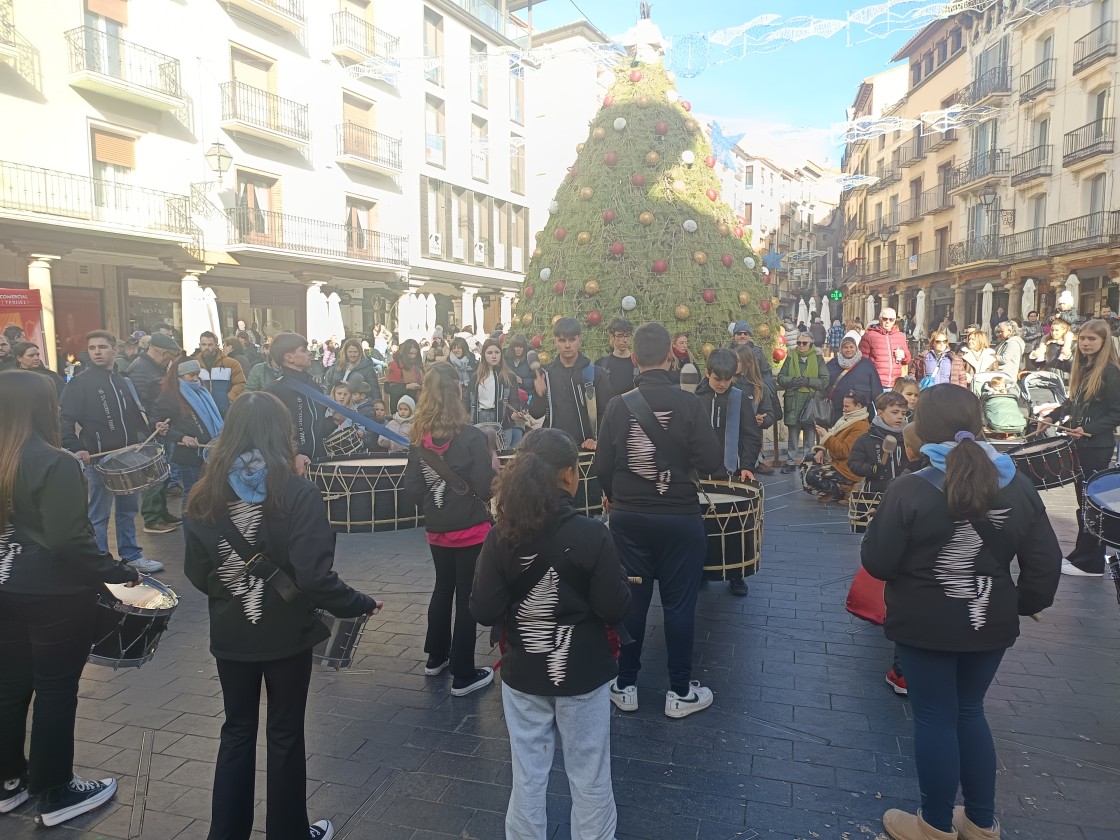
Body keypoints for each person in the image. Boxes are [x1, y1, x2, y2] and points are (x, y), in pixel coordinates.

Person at [862, 384, 1060, 840]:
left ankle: (933, 824)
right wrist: (1023, 604)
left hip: (923, 623)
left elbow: (878, 562)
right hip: (990, 620)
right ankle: (981, 821)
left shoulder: (909, 487)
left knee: (933, 715)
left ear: (924, 428)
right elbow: (1045, 563)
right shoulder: (1018, 484)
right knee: (970, 711)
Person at [184, 392, 379, 840]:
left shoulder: (203, 495)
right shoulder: (297, 492)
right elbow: (315, 576)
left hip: (232, 632)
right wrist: (358, 603)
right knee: (286, 733)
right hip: (287, 632)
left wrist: (230, 593)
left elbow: (197, 571)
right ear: (282, 432)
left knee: (235, 731)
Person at [470, 429, 631, 840]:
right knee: (590, 775)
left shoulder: (502, 535)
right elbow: (614, 608)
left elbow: (483, 609)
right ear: (569, 475)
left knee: (527, 776)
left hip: (524, 673)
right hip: (584, 674)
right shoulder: (594, 534)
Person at [0, 370, 142, 827]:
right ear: (44, 408)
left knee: (10, 686)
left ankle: (8, 782)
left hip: (4, 584)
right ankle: (55, 791)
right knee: (57, 688)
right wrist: (118, 572)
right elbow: (68, 540)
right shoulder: (55, 461)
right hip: (54, 594)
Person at [594, 323, 723, 718]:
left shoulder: (618, 405)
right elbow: (713, 463)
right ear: (671, 355)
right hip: (679, 520)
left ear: (633, 358)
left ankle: (626, 683)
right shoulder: (689, 404)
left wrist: (619, 498)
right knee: (679, 606)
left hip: (630, 520)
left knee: (632, 601)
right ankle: (679, 692)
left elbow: (601, 467)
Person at [402, 362, 497, 697]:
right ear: (458, 392)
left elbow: (412, 486)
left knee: (442, 588)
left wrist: (432, 510)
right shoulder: (472, 436)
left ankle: (436, 657)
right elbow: (486, 486)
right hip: (470, 527)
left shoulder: (418, 439)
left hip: (436, 528)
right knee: (466, 595)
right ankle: (463, 673)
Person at [60, 330, 164, 574]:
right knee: (99, 514)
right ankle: (100, 561)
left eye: (102, 347)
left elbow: (134, 416)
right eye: (93, 348)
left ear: (114, 350)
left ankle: (131, 556)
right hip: (99, 460)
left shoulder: (122, 380)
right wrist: (76, 448)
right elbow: (65, 420)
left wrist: (154, 427)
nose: (97, 352)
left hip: (127, 457)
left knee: (128, 510)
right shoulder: (80, 382)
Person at [1041, 319, 1120, 577]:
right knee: (1083, 503)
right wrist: (1053, 416)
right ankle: (1081, 555)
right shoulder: (1085, 368)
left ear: (1103, 342)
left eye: (1092, 339)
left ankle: (1091, 563)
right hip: (1081, 444)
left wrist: (1090, 429)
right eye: (1083, 339)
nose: (1086, 343)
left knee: (1091, 505)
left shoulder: (1110, 372)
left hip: (1096, 445)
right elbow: (1073, 403)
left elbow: (1116, 412)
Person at [695, 348, 765, 596]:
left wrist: (747, 465)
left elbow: (751, 435)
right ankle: (702, 571)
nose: (722, 384)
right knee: (701, 528)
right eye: (717, 379)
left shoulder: (740, 397)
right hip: (700, 474)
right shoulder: (695, 397)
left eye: (727, 379)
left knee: (734, 526)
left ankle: (736, 574)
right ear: (707, 373)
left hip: (731, 471)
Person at [127, 332, 184, 536]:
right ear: (160, 351)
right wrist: (154, 424)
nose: (171, 360)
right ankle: (152, 518)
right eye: (170, 355)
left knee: (162, 472)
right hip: (149, 430)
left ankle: (161, 512)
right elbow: (141, 405)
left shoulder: (151, 367)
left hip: (157, 427)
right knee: (152, 475)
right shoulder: (141, 370)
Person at [528, 318, 615, 451]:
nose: (567, 345)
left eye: (571, 340)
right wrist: (540, 395)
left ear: (579, 340)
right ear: (555, 341)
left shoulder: (595, 373)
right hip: (553, 447)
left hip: (586, 446)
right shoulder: (546, 374)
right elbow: (535, 414)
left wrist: (597, 438)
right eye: (562, 340)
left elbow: (607, 412)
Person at [154, 360, 223, 515]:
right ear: (179, 375)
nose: (194, 378)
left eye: (197, 374)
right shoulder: (170, 396)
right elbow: (159, 423)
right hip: (189, 455)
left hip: (208, 453)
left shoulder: (201, 391)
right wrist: (182, 437)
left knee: (207, 498)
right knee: (192, 498)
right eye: (190, 375)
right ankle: (190, 533)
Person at [267, 333, 326, 474]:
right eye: (304, 350)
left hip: (319, 461)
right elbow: (271, 433)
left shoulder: (314, 386)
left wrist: (334, 421)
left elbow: (318, 428)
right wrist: (294, 454)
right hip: (293, 465)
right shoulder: (274, 391)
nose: (310, 353)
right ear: (289, 358)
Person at [803, 391, 870, 502]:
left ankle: (841, 490)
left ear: (858, 406)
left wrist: (825, 435)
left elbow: (844, 452)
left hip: (847, 468)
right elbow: (832, 437)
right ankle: (836, 490)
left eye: (846, 406)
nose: (843, 409)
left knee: (812, 476)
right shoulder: (847, 418)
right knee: (808, 459)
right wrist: (821, 449)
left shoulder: (861, 426)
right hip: (836, 460)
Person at [777, 333, 830, 473]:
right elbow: (781, 378)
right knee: (793, 433)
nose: (801, 345)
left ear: (810, 344)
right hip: (793, 399)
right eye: (799, 342)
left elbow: (824, 380)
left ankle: (808, 461)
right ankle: (790, 461)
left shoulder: (818, 359)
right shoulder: (790, 357)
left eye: (804, 343)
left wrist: (808, 381)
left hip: (811, 401)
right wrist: (793, 381)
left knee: (810, 433)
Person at [849, 391, 910, 494]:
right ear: (880, 413)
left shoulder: (907, 439)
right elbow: (854, 463)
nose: (900, 416)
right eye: (895, 412)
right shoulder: (866, 439)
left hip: (902, 492)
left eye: (903, 413)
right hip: (874, 492)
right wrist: (871, 469)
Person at [471, 338, 526, 449]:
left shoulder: (509, 376)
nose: (494, 356)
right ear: (484, 355)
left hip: (502, 421)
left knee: (502, 456)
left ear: (501, 354)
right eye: (490, 353)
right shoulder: (475, 377)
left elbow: (514, 399)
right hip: (479, 420)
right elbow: (468, 401)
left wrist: (514, 412)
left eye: (497, 352)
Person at [732, 344, 777, 474]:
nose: (734, 364)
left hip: (749, 444)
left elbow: (769, 414)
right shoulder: (728, 384)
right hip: (730, 443)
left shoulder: (759, 387)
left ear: (748, 363)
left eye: (738, 361)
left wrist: (762, 420)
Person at [824, 336, 882, 424]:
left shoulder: (867, 364)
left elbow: (876, 388)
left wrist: (880, 408)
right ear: (841, 349)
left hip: (862, 410)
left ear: (856, 348)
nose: (848, 350)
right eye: (845, 347)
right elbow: (825, 384)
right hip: (839, 409)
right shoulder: (832, 364)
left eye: (851, 347)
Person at [191, 331, 246, 414]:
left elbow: (240, 383)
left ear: (216, 345)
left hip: (224, 409)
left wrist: (230, 397)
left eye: (210, 345)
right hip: (201, 409)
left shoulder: (231, 363)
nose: (206, 347)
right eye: (204, 344)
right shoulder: (193, 364)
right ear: (199, 345)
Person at [859, 308, 912, 389]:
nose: (888, 321)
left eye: (891, 319)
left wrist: (903, 355)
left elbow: (907, 360)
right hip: (876, 383)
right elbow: (862, 361)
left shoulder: (900, 336)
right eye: (885, 319)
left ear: (894, 320)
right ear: (880, 319)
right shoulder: (869, 336)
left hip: (895, 384)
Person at [595, 318, 638, 396]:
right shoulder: (601, 364)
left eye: (628, 335)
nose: (625, 340)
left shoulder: (638, 363)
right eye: (620, 336)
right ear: (612, 337)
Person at [385, 339, 424, 412]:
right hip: (400, 406)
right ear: (405, 352)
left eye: (415, 354)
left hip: (416, 404)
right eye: (410, 353)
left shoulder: (418, 365)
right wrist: (407, 386)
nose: (413, 356)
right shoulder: (395, 365)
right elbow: (388, 388)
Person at [448, 336, 478, 404]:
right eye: (454, 348)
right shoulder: (448, 363)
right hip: (454, 397)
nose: (456, 350)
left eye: (459, 348)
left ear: (464, 348)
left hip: (470, 396)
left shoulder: (473, 362)